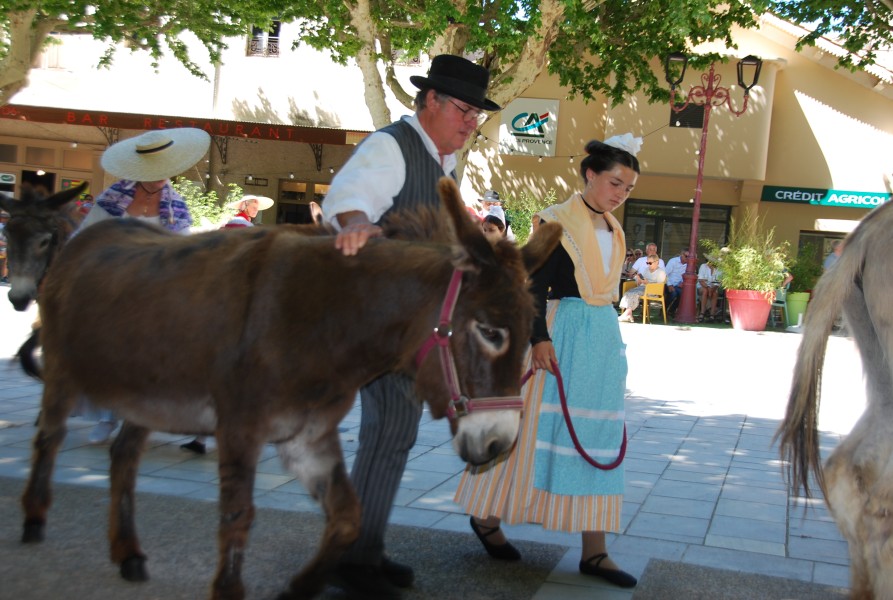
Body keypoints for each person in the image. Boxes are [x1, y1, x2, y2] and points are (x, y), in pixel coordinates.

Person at [320, 54, 500, 599]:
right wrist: (355, 226)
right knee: (391, 428)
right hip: (381, 327)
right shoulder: (392, 146)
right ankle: (352, 557)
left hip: (411, 329)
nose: (471, 122)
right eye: (464, 110)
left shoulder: (441, 166)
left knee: (393, 433)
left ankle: (361, 551)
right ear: (430, 102)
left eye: (477, 115)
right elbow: (350, 199)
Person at [455, 134, 641, 589]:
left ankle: (594, 551)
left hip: (599, 338)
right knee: (533, 431)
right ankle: (486, 517)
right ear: (590, 175)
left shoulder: (613, 230)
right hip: (559, 337)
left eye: (628, 188)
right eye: (615, 182)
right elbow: (530, 285)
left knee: (594, 434)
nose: (620, 194)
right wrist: (537, 339)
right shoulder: (556, 222)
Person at [79, 127, 211, 444]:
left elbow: (183, 252)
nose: (159, 179)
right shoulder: (112, 199)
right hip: (114, 285)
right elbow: (85, 238)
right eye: (153, 173)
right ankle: (108, 418)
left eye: (164, 173)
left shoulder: (176, 205)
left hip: (157, 288)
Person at [180, 193, 273, 455]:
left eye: (257, 205)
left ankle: (207, 437)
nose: (256, 208)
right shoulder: (239, 226)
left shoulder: (240, 226)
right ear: (244, 206)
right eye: (253, 204)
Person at [617, 252, 667, 323]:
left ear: (657, 262)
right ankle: (628, 314)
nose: (648, 265)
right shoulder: (646, 270)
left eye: (650, 263)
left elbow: (659, 286)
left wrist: (648, 283)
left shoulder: (661, 272)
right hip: (643, 288)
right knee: (629, 292)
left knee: (635, 293)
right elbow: (643, 279)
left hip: (653, 291)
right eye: (647, 263)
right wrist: (639, 279)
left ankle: (627, 314)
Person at [664, 248, 690, 312]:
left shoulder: (689, 264)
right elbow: (664, 274)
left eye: (689, 257)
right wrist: (669, 285)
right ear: (681, 254)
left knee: (684, 295)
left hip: (679, 285)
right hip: (669, 283)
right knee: (673, 294)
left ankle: (671, 311)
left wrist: (683, 282)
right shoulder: (673, 261)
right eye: (686, 256)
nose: (688, 258)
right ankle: (663, 310)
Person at [697, 255, 722, 322]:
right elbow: (700, 280)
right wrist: (708, 288)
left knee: (715, 293)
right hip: (702, 286)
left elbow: (718, 282)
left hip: (713, 287)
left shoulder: (719, 269)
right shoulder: (703, 266)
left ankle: (712, 315)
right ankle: (702, 313)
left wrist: (712, 289)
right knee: (705, 291)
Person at [0, 210, 8, 284]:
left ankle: (4, 277)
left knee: (6, 260)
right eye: (4, 217)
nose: (5, 219)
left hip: (5, 248)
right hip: (2, 248)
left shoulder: (7, 226)